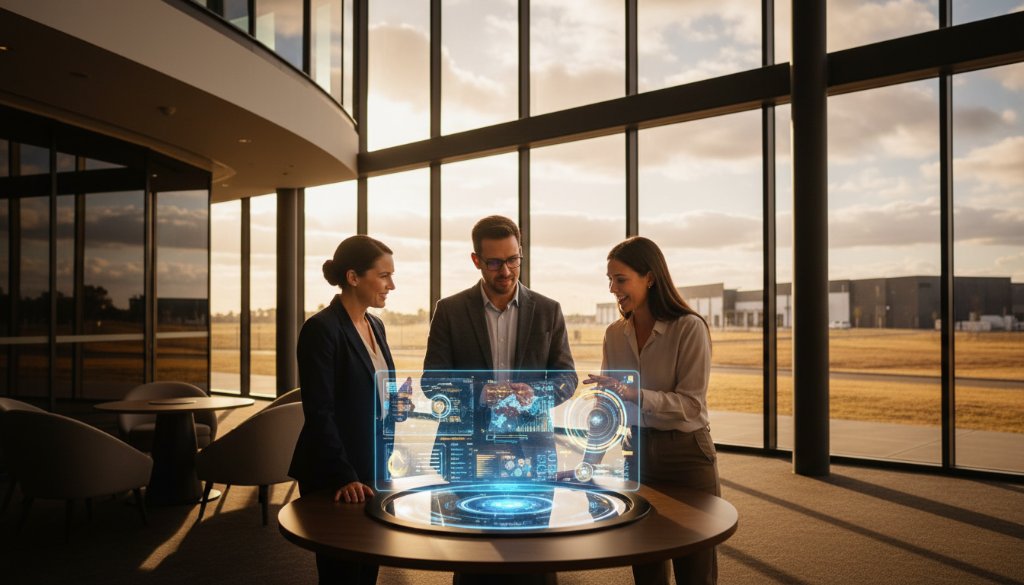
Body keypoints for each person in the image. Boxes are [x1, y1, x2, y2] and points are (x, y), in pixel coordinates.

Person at [584, 236, 719, 585]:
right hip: (636, 452)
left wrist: (635, 394)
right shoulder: (614, 334)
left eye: (621, 279)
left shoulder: (689, 328)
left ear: (650, 278)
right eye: (610, 280)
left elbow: (691, 405)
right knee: (644, 561)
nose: (613, 288)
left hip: (686, 455)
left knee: (695, 566)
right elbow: (606, 405)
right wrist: (587, 463)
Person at [423, 215, 577, 482]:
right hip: (465, 455)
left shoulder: (548, 310)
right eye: (494, 263)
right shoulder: (449, 311)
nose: (505, 271)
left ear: (520, 254)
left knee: (537, 525)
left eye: (512, 260)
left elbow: (567, 378)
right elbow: (433, 382)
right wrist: (482, 393)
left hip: (533, 453)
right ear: (476, 261)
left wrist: (536, 393)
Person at [288, 235, 396, 585]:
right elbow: (320, 411)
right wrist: (344, 476)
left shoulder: (375, 325)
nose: (391, 285)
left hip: (372, 468)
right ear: (353, 277)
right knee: (342, 575)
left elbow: (375, 391)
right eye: (383, 276)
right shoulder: (321, 329)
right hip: (335, 475)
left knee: (369, 565)